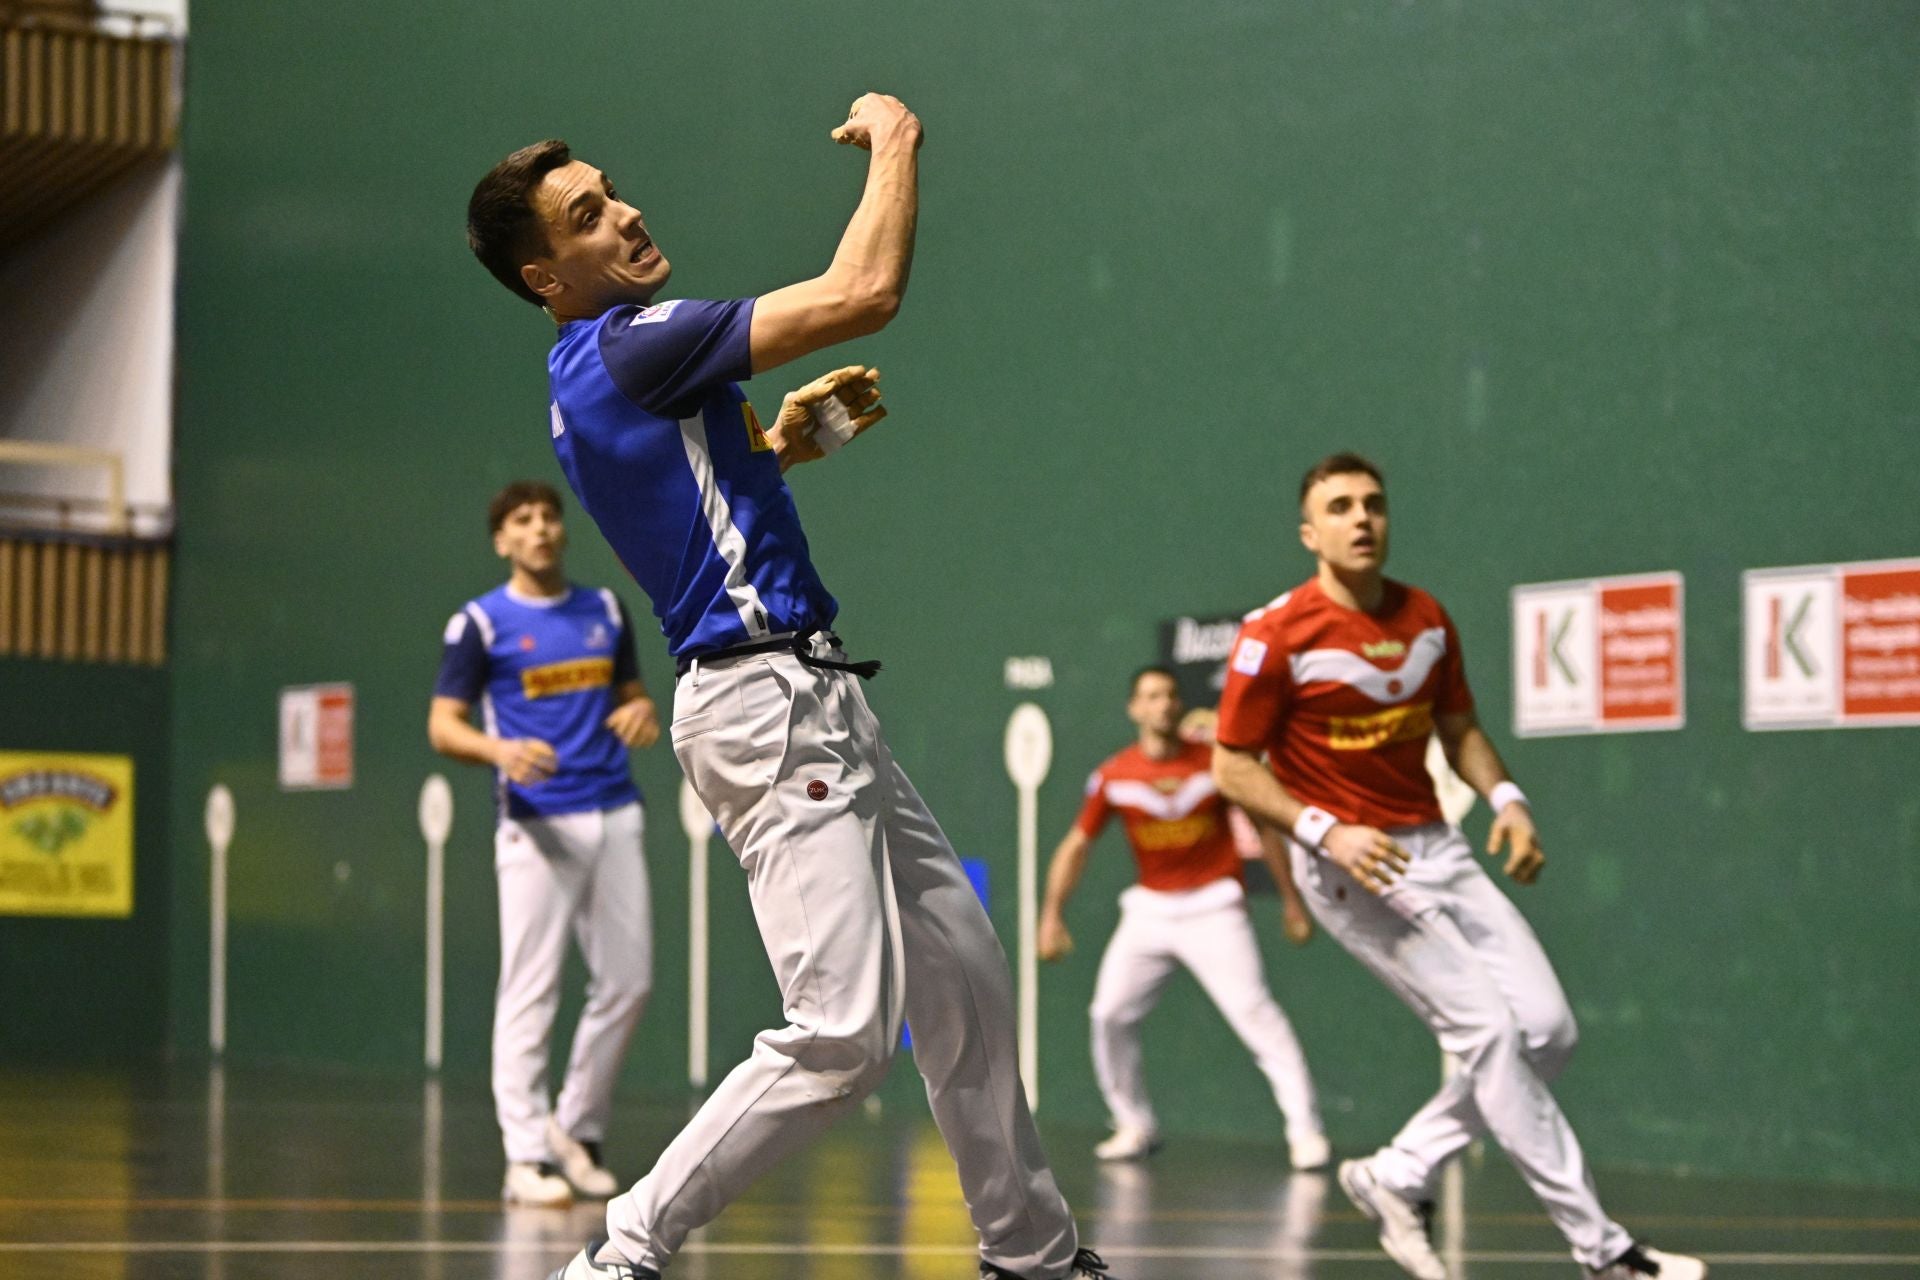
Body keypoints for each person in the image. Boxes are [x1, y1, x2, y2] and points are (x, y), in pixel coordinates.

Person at [465, 94, 1115, 1280]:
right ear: (545, 276)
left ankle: (1031, 1251)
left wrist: (774, 451)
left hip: (806, 692)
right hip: (767, 707)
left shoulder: (590, 370)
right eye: (588, 215)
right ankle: (617, 1254)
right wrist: (898, 138)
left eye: (613, 192)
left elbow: (686, 513)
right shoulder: (634, 339)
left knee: (964, 973)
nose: (626, 214)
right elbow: (864, 289)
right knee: (841, 1030)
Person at [1210, 453, 1706, 1280]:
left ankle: (1397, 1173)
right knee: (1491, 1033)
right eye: (1340, 507)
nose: (1361, 519)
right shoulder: (1275, 635)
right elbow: (1231, 766)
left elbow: (1459, 726)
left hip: (1437, 845)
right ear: (1309, 534)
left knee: (1547, 1031)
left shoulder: (1426, 617)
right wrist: (1326, 832)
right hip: (1353, 866)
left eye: (1373, 504)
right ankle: (1605, 1252)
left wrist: (1507, 798)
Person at [428, 480, 660, 1208]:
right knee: (532, 989)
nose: (540, 530)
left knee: (629, 981)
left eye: (550, 518)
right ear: (503, 541)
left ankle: (576, 1130)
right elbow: (444, 725)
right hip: (535, 823)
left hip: (614, 808)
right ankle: (524, 1155)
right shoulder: (480, 624)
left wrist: (643, 712)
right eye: (523, 521)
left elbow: (632, 697)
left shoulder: (606, 610)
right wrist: (499, 752)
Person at [1037, 665, 1328, 1171]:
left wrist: (1292, 901)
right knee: (1109, 1014)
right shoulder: (1113, 776)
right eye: (1151, 696)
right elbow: (1076, 845)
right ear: (1134, 709)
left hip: (1214, 906)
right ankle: (1133, 1124)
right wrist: (1051, 916)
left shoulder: (1216, 765)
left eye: (1170, 695)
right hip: (1149, 910)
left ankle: (1306, 1132)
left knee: (1256, 1014)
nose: (1164, 704)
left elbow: (1264, 829)